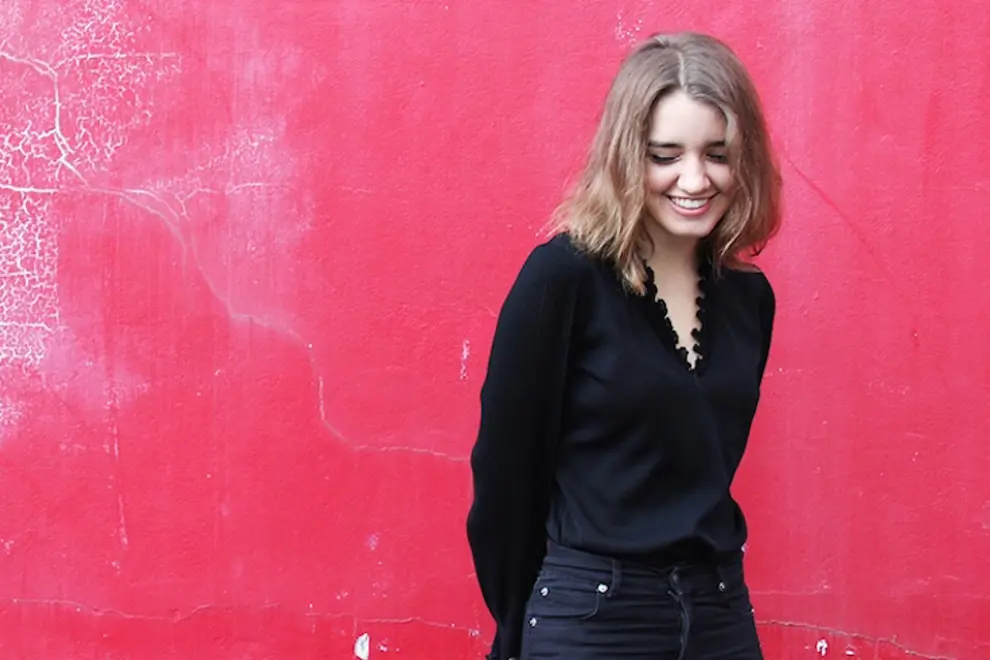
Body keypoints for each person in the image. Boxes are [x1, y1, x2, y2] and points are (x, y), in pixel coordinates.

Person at [465, 31, 781, 660]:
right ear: (625, 154)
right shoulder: (563, 279)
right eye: (666, 155)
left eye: (717, 154)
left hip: (720, 612)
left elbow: (706, 467)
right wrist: (521, 626)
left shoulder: (750, 299)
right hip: (592, 617)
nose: (695, 178)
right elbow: (505, 479)